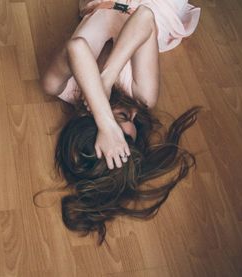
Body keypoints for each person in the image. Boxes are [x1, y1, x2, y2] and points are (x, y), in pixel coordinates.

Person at [39, 0, 202, 244]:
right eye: (129, 138)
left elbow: (77, 48)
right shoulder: (142, 97)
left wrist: (107, 120)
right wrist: (108, 79)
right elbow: (145, 16)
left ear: (94, 128)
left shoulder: (63, 87)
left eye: (120, 132)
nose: (134, 118)